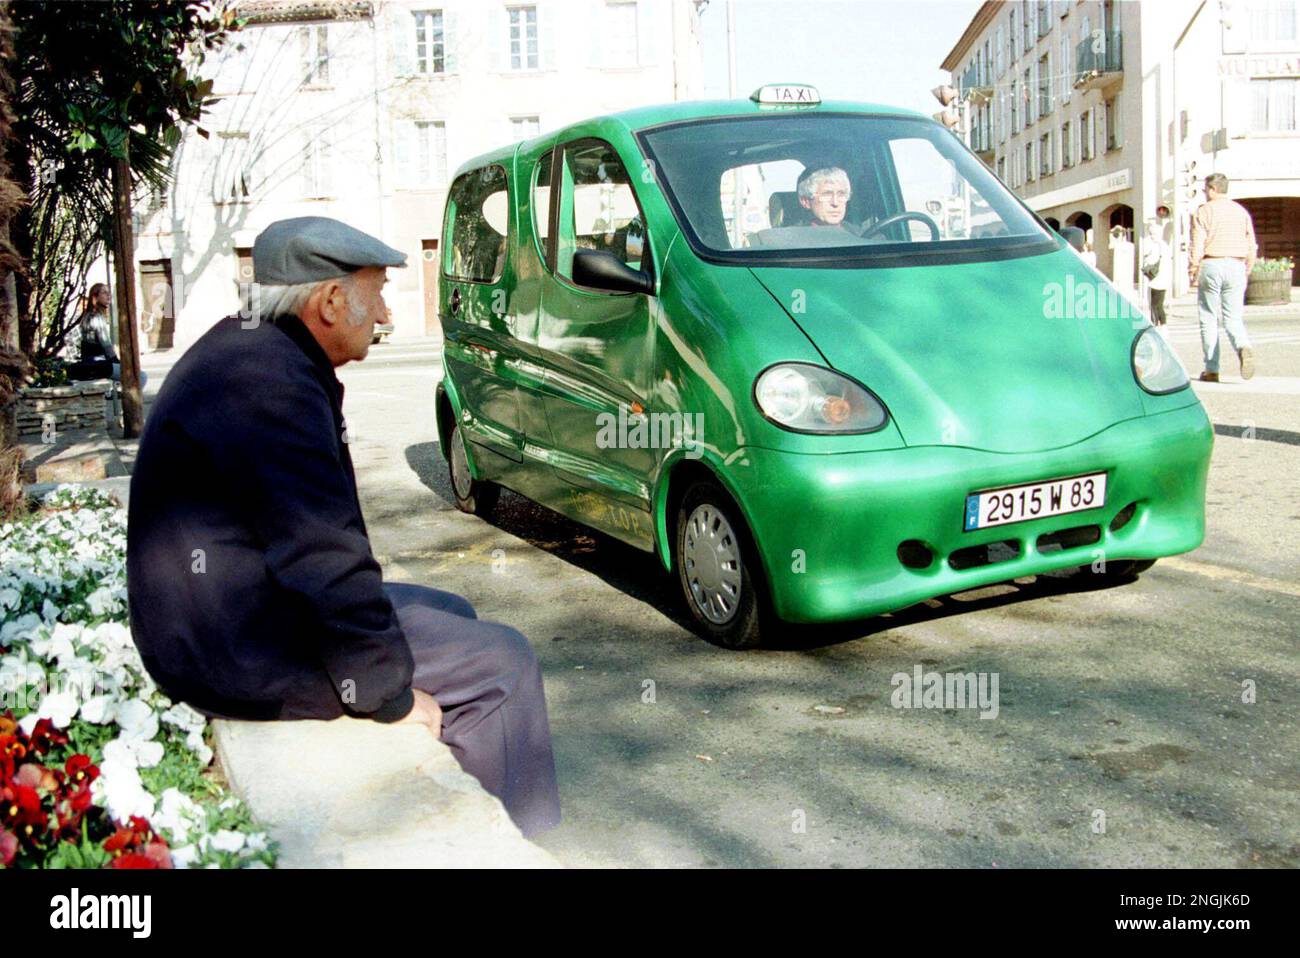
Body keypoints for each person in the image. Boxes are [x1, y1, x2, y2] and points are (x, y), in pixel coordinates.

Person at [126, 216, 561, 837]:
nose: (384, 314)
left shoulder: (253, 351)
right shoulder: (269, 383)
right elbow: (322, 554)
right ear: (330, 301)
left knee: (453, 607)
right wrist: (390, 695)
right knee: (503, 663)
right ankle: (512, 843)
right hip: (236, 649)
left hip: (224, 616)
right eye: (378, 291)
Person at [1189, 173, 1256, 383]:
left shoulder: (1204, 211)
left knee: (1208, 316)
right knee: (1233, 318)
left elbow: (1197, 244)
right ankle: (1243, 346)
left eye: (1205, 190)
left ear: (1212, 189)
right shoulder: (1241, 211)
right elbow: (1251, 244)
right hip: (1236, 264)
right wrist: (1247, 268)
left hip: (1212, 262)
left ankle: (1211, 369)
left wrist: (1193, 269)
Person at [76, 283, 147, 394]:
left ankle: (122, 395)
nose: (108, 295)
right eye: (104, 293)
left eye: (109, 293)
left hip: (92, 362)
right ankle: (128, 400)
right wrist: (116, 361)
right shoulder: (96, 317)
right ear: (95, 297)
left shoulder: (87, 315)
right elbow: (106, 344)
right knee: (141, 376)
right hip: (98, 364)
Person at [1140, 219, 1171, 326]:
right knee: (1159, 304)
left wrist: (1146, 259)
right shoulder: (1165, 246)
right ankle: (1163, 325)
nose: (1151, 236)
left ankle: (1156, 325)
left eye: (1152, 234)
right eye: (1150, 233)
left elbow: (1151, 261)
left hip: (1156, 280)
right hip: (1164, 279)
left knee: (1154, 305)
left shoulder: (1157, 246)